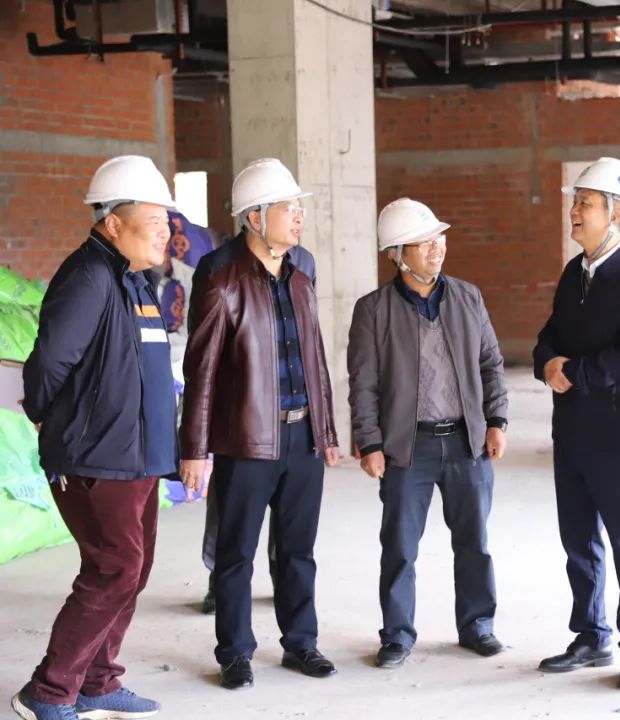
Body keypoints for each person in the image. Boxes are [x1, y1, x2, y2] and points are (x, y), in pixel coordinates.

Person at [13, 156, 177, 720]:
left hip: (138, 457)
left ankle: (99, 682)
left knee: (132, 571)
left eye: (166, 221)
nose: (166, 232)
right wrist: (46, 416)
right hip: (96, 458)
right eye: (154, 221)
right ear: (112, 223)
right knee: (113, 569)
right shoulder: (88, 277)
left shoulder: (134, 280)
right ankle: (49, 691)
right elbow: (48, 363)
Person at [179, 158, 341, 690]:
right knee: (236, 555)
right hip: (246, 439)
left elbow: (315, 356)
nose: (299, 217)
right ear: (255, 217)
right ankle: (235, 653)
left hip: (302, 437)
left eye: (298, 209)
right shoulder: (220, 275)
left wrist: (327, 432)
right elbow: (201, 369)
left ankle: (301, 643)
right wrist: (195, 448)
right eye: (289, 209)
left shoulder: (302, 271)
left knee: (298, 551)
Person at [347, 198, 509, 669]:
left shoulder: (468, 297)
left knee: (474, 542)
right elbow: (363, 382)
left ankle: (478, 625)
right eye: (423, 242)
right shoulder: (373, 310)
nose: (437, 248)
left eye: (439, 238)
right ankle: (397, 635)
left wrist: (496, 420)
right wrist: (370, 442)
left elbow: (491, 364)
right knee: (399, 547)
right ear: (396, 254)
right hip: (407, 448)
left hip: (466, 442)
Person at [533, 158, 620, 691]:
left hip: (617, 438)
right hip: (571, 433)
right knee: (580, 543)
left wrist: (573, 374)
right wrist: (547, 363)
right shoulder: (575, 273)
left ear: (616, 213)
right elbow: (550, 334)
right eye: (575, 201)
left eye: (585, 203)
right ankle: (591, 635)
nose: (574, 210)